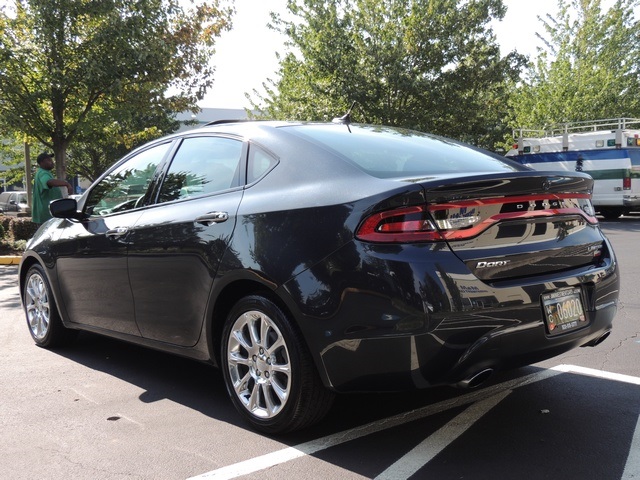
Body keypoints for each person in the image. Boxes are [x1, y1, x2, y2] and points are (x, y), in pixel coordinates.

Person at [32, 152, 73, 225]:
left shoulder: (44, 173)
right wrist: (66, 184)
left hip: (48, 214)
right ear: (41, 163)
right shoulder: (43, 173)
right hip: (47, 215)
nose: (52, 162)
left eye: (51, 160)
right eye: (48, 160)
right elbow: (49, 182)